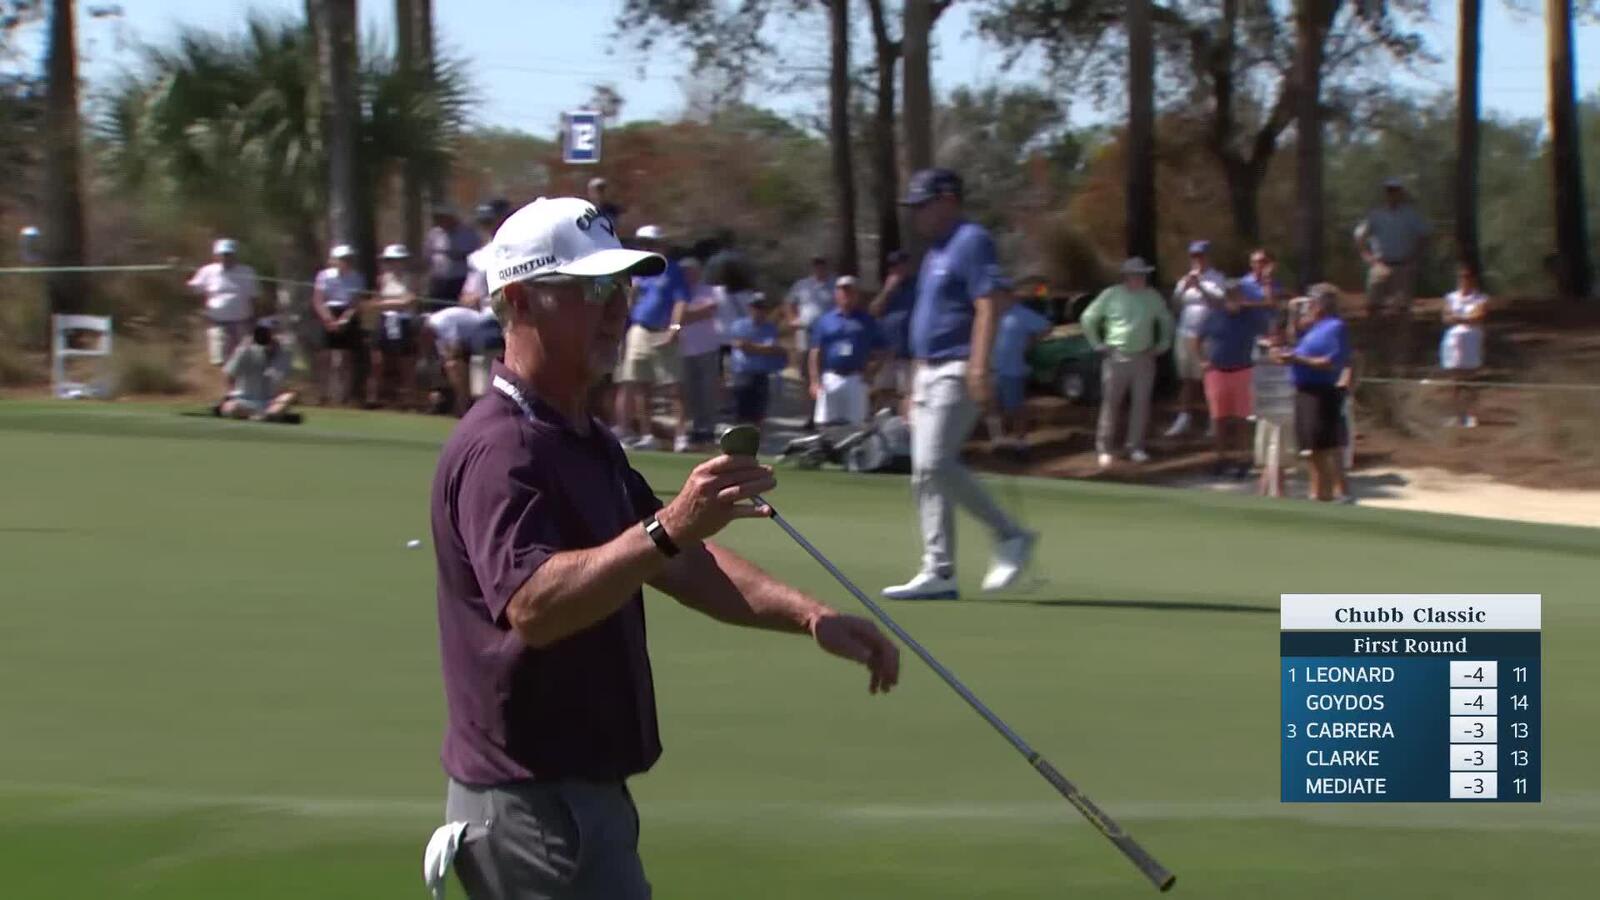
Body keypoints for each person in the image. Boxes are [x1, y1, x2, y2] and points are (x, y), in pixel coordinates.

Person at [427, 195, 899, 900]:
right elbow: (534, 606)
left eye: (620, 288)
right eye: (590, 290)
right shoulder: (502, 448)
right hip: (531, 807)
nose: (617, 309)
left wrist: (807, 615)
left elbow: (679, 561)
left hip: (579, 799)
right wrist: (671, 525)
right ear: (519, 301)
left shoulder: (583, 437)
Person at [882, 168, 1035, 601]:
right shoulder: (934, 251)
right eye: (913, 207)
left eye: (923, 205)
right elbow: (927, 320)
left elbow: (988, 304)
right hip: (928, 370)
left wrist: (979, 367)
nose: (916, 214)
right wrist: (913, 384)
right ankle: (939, 571)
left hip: (958, 365)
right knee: (923, 473)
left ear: (948, 200)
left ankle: (1010, 535)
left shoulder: (972, 240)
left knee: (934, 463)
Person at [1080, 257, 1175, 469]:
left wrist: (1162, 346)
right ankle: (1105, 448)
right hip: (1116, 356)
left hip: (1143, 357)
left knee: (1141, 404)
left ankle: (1135, 447)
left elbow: (1167, 321)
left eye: (1142, 274)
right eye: (1135, 274)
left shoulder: (1152, 296)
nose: (1139, 278)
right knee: (1111, 404)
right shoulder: (1111, 294)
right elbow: (1088, 318)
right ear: (1126, 276)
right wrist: (1097, 343)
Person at [1273, 284, 1351, 502]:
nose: (1308, 307)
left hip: (1321, 392)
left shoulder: (1335, 327)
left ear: (1321, 304)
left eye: (1311, 303)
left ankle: (1325, 494)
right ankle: (1318, 493)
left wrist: (1297, 359)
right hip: (1304, 391)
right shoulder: (1313, 328)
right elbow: (1294, 340)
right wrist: (1286, 356)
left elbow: (1330, 362)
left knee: (1322, 447)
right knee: (1312, 449)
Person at [613, 225, 688, 450]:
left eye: (651, 243)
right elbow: (628, 301)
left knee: (673, 386)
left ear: (662, 245)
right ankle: (647, 435)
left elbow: (681, 300)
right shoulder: (637, 269)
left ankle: (681, 436)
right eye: (643, 243)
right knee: (638, 384)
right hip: (638, 329)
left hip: (662, 330)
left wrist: (675, 328)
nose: (646, 247)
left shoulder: (672, 270)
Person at [1354, 177, 1432, 372]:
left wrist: (1415, 258)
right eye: (1389, 190)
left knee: (1402, 311)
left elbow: (1425, 236)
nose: (1392, 194)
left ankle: (1400, 356)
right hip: (1381, 265)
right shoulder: (1375, 215)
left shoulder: (1410, 215)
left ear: (1401, 193)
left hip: (1403, 266)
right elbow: (1360, 237)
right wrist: (1369, 258)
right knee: (1373, 307)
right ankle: (1373, 353)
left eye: (1395, 190)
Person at [1196, 280, 1264, 477]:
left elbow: (1268, 323)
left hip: (1242, 371)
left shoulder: (1251, 317)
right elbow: (1198, 339)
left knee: (1242, 418)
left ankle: (1243, 458)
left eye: (1236, 295)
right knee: (1219, 419)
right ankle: (1220, 458)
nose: (1233, 299)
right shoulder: (1214, 315)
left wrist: (1249, 305)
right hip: (1217, 372)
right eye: (1230, 295)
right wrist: (1202, 360)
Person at [808, 275, 887, 428]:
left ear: (857, 295)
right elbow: (815, 352)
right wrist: (815, 381)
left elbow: (882, 351)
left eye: (850, 291)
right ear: (836, 294)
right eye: (842, 291)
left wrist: (871, 373)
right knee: (826, 424)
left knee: (856, 425)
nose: (846, 295)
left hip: (856, 378)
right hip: (830, 377)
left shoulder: (868, 321)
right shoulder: (825, 320)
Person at [1167, 239, 1226, 437]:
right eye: (1194, 256)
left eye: (1201, 256)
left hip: (1207, 336)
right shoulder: (1185, 279)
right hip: (1185, 333)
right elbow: (1175, 305)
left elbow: (1219, 303)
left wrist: (1200, 287)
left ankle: (1213, 419)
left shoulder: (1217, 278)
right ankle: (1184, 417)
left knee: (1209, 378)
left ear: (1208, 257)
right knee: (1187, 378)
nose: (1197, 260)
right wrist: (1184, 288)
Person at [986, 282, 1051, 457]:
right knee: (991, 406)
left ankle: (1021, 443)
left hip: (1013, 370)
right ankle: (997, 440)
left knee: (1016, 409)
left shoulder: (1021, 313)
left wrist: (1031, 342)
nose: (997, 299)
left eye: (1000, 295)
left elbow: (1046, 327)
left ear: (1009, 295)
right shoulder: (989, 313)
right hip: (991, 370)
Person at [187, 238, 259, 373]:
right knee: (220, 359)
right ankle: (228, 381)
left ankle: (237, 383)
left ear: (235, 255)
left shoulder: (247, 271)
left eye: (229, 254)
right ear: (217, 255)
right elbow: (193, 289)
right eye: (223, 254)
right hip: (217, 322)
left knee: (242, 358)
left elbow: (254, 296)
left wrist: (254, 320)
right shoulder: (207, 271)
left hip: (242, 322)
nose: (226, 258)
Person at [674, 257, 722, 451]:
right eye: (685, 271)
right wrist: (686, 315)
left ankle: (706, 428)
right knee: (686, 392)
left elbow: (708, 310)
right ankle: (689, 429)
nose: (688, 275)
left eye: (692, 271)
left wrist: (682, 316)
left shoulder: (709, 291)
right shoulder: (678, 292)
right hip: (682, 349)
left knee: (707, 391)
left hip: (706, 348)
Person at [311, 244, 367, 406]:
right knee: (325, 357)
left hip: (347, 314)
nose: (346, 261)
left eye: (348, 258)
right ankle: (322, 394)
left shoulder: (357, 277)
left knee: (346, 357)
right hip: (328, 312)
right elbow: (318, 300)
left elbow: (356, 302)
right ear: (334, 260)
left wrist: (345, 319)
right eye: (342, 258)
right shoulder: (324, 275)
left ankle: (343, 396)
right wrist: (328, 319)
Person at [370, 244, 422, 409]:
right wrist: (395, 303)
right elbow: (375, 301)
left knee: (406, 361)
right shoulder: (383, 279)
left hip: (404, 321)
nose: (394, 264)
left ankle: (410, 398)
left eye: (398, 260)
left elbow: (410, 301)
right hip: (386, 320)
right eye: (391, 260)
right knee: (378, 359)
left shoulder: (411, 279)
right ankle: (375, 397)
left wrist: (385, 304)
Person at [216, 319, 298, 423]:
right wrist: (230, 394)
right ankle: (269, 416)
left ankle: (266, 415)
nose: (273, 335)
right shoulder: (246, 350)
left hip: (269, 401)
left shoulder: (285, 352)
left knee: (290, 397)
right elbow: (229, 373)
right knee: (231, 408)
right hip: (244, 400)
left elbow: (283, 377)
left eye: (275, 331)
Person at [786, 255, 833, 430]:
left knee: (827, 374)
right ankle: (810, 415)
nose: (819, 268)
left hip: (828, 336)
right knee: (807, 376)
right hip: (805, 335)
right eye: (816, 265)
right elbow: (789, 303)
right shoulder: (802, 285)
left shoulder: (834, 284)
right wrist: (792, 320)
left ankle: (826, 413)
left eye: (822, 265)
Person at [726, 293, 787, 425]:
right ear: (750, 308)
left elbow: (772, 349)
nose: (759, 311)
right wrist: (762, 348)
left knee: (758, 416)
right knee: (740, 415)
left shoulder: (770, 328)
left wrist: (753, 347)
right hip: (742, 374)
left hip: (761, 375)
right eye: (756, 307)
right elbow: (741, 346)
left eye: (762, 307)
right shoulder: (739, 325)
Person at [1440, 262, 1489, 428]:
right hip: (1453, 342)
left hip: (1471, 342)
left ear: (1473, 279)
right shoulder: (1451, 297)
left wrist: (1458, 318)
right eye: (1461, 277)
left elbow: (1478, 316)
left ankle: (1471, 414)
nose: (1463, 280)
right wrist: (1465, 318)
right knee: (1454, 381)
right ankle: (1456, 414)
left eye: (1467, 277)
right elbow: (1446, 317)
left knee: (1471, 379)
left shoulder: (1480, 298)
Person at [868, 250, 916, 415]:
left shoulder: (917, 287)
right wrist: (887, 291)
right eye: (893, 267)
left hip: (907, 353)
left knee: (906, 395)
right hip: (886, 354)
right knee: (882, 394)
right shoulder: (887, 288)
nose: (896, 270)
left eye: (900, 265)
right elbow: (873, 311)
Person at [426, 205, 482, 312]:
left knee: (457, 309)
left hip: (459, 280)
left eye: (443, 217)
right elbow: (429, 253)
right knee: (436, 309)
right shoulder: (434, 234)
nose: (440, 220)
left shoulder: (467, 233)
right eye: (438, 217)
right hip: (438, 280)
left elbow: (475, 254)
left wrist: (457, 255)